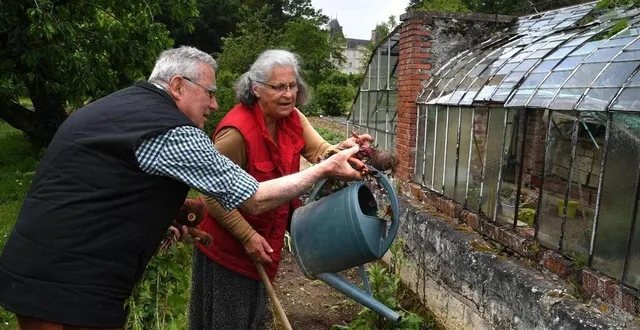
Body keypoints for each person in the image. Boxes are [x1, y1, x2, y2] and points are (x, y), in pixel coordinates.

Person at [0, 46, 364, 330]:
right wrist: (325, 170)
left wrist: (165, 212)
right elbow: (253, 199)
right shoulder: (171, 129)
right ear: (177, 86)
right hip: (72, 280)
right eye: (209, 93)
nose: (215, 103)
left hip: (38, 264)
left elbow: (102, 182)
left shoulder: (122, 105)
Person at [189, 49, 373, 330]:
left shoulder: (293, 118)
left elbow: (321, 151)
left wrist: (344, 152)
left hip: (265, 243)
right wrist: (247, 235)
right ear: (256, 88)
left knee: (253, 319)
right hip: (230, 250)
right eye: (279, 87)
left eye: (292, 85)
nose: (289, 94)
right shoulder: (236, 133)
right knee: (229, 321)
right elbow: (209, 193)